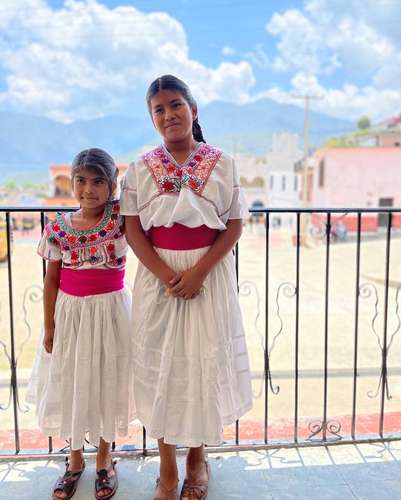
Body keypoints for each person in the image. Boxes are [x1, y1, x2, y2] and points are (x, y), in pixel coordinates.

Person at [120, 75, 252, 500]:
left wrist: (198, 273)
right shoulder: (140, 167)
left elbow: (233, 225)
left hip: (208, 278)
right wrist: (165, 273)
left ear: (193, 110)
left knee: (200, 368)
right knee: (161, 370)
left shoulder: (223, 162)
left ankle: (197, 460)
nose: (168, 114)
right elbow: (133, 228)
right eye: (158, 109)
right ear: (151, 119)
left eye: (176, 104)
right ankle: (167, 468)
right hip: (159, 281)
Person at [27, 148, 134, 500]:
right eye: (82, 181)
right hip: (71, 315)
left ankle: (105, 460)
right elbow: (51, 281)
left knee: (108, 380)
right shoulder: (58, 229)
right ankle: (74, 462)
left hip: (111, 313)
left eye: (99, 181)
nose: (89, 189)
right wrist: (50, 326)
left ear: (112, 185)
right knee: (71, 382)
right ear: (72, 183)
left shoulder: (121, 221)